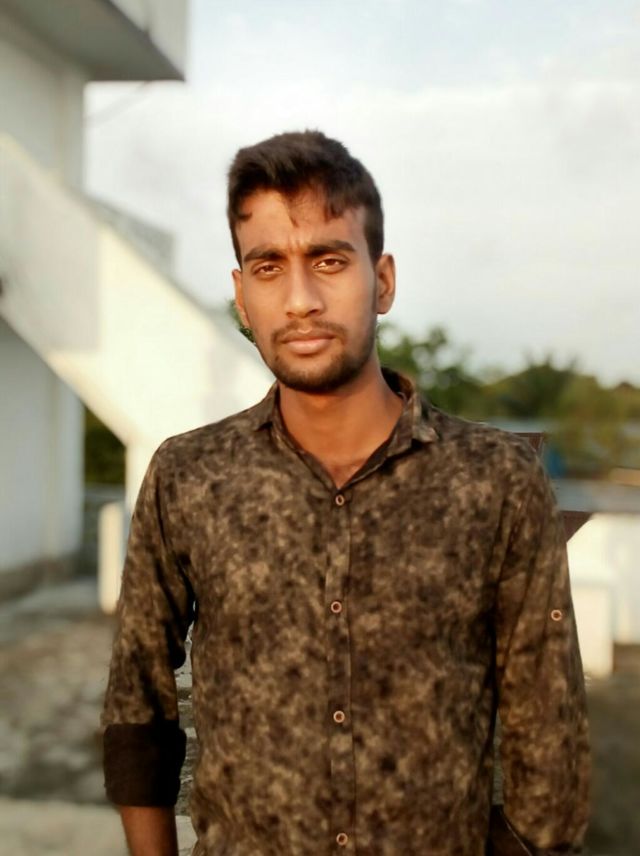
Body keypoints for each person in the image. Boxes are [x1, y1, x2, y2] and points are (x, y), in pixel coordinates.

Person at [102, 130, 590, 856]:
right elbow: (138, 698)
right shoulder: (188, 475)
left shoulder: (497, 479)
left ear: (382, 281)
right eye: (269, 267)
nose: (300, 300)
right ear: (241, 297)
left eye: (329, 260)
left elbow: (547, 732)